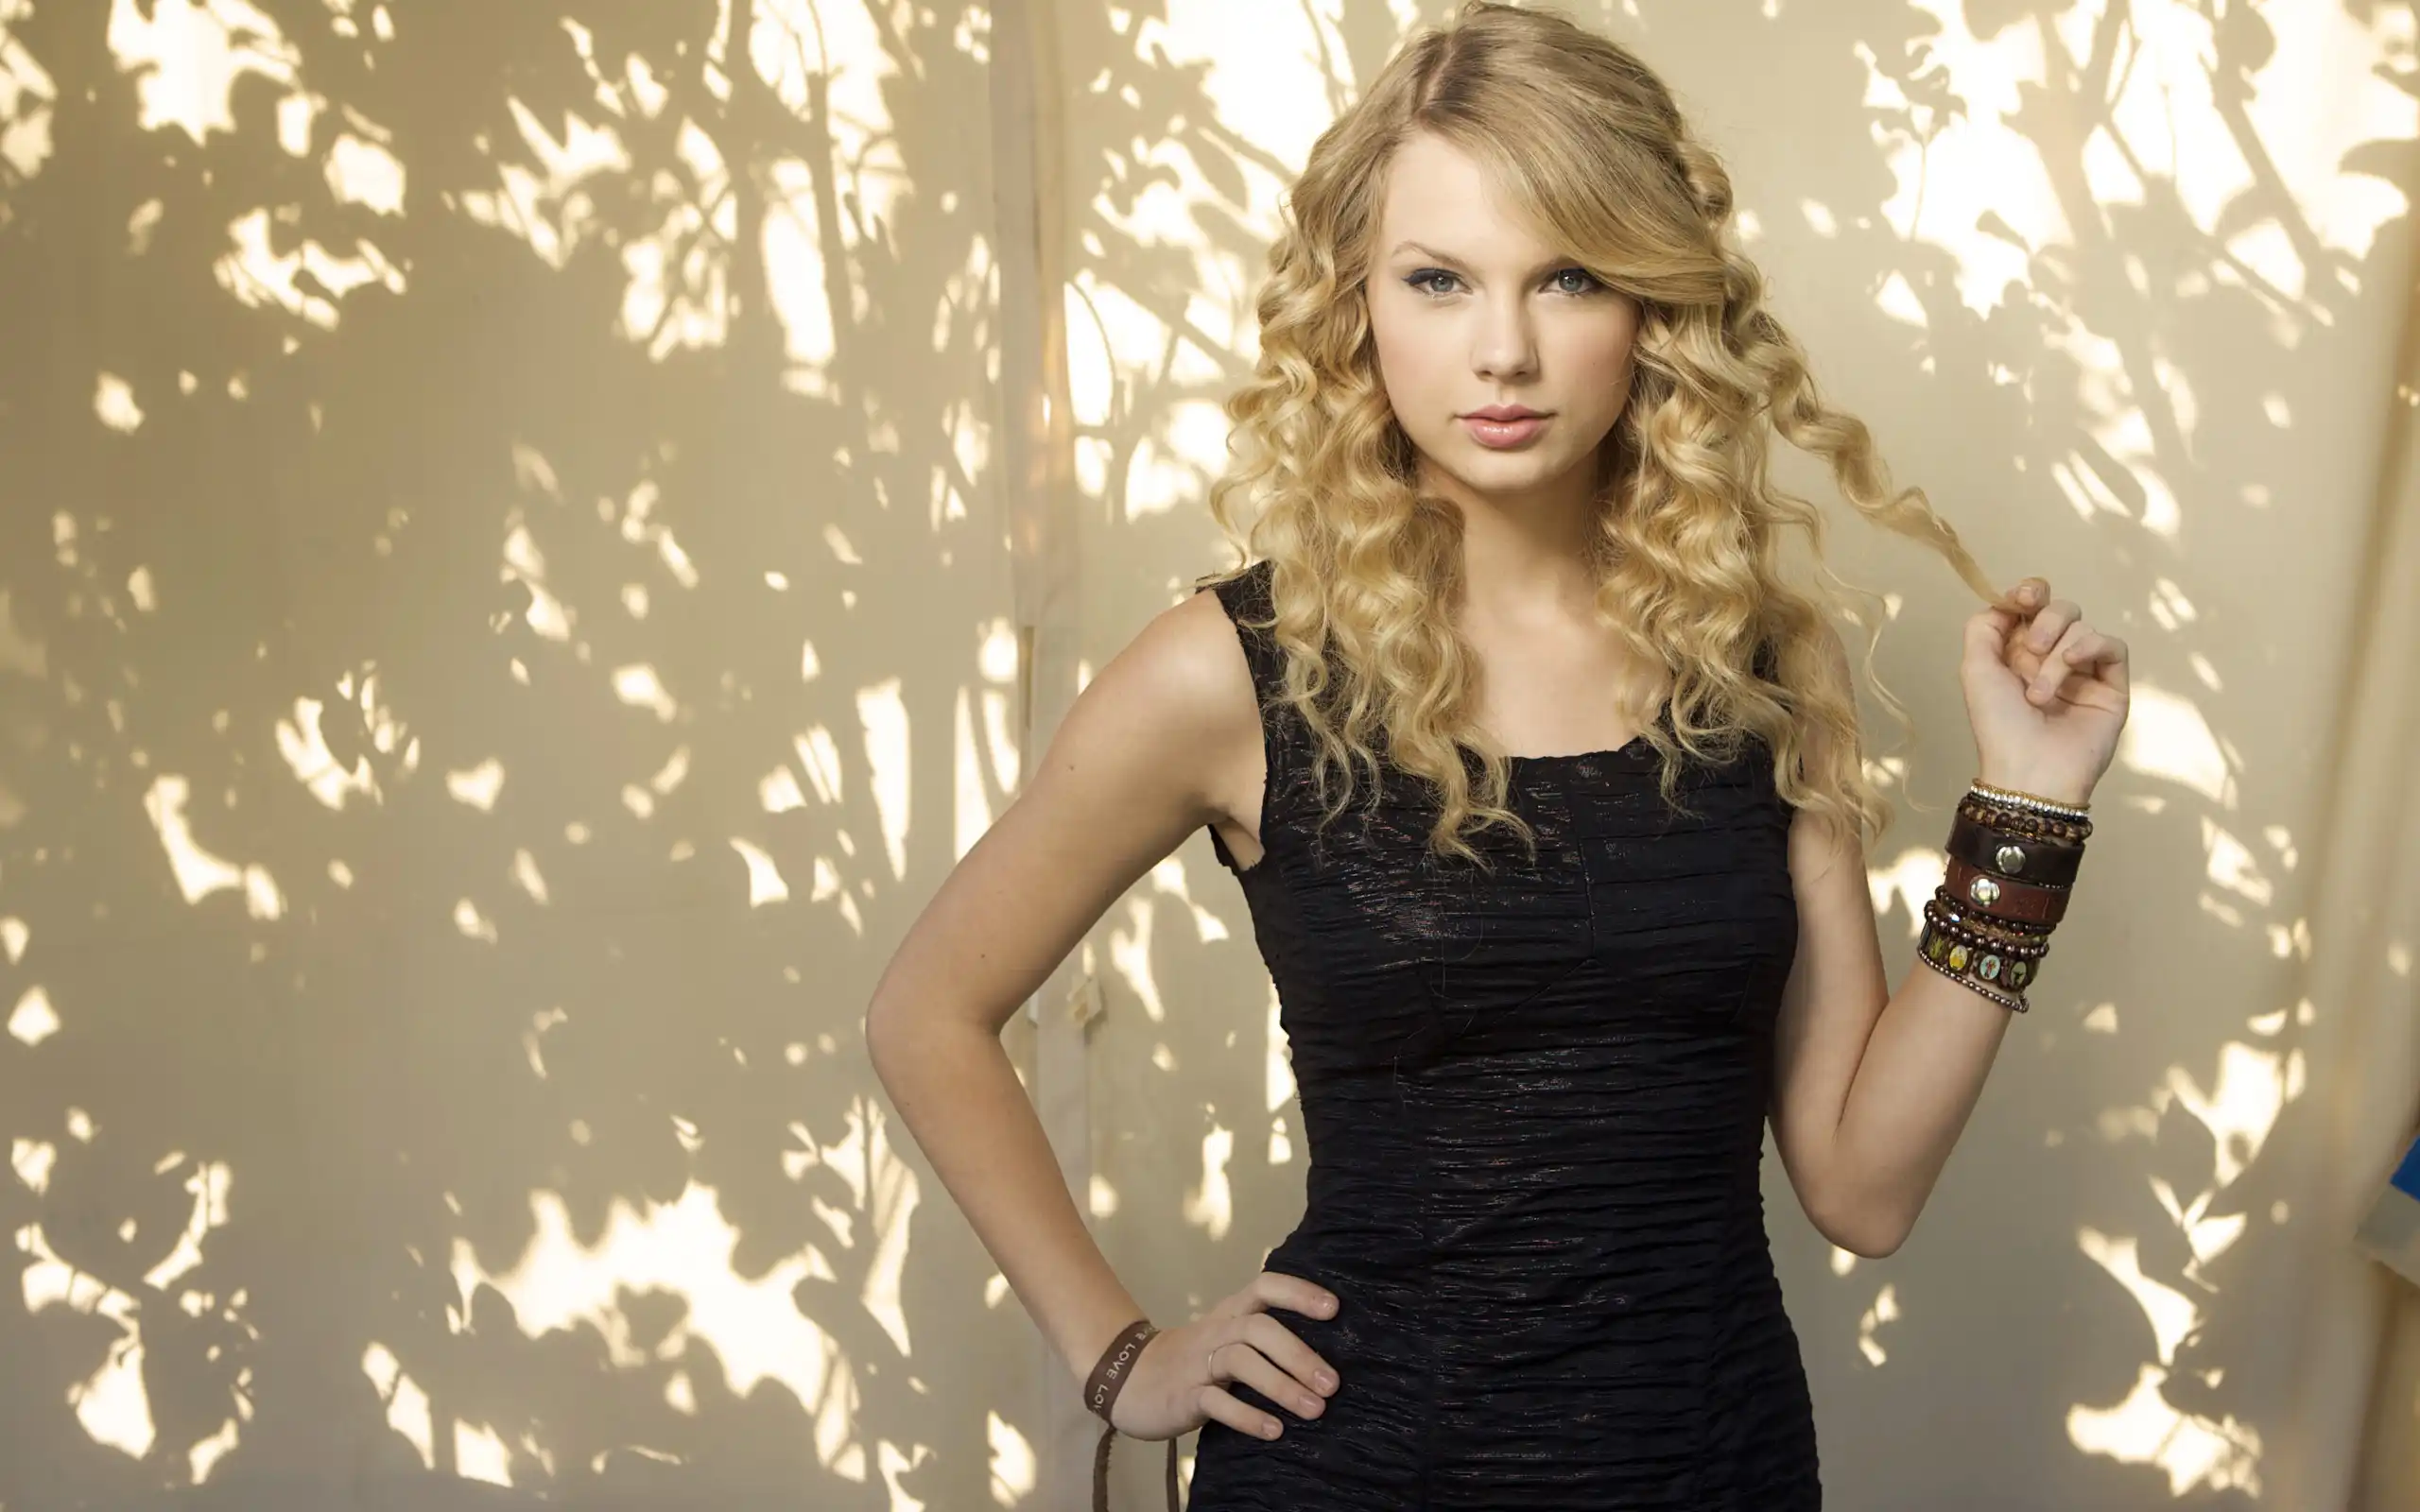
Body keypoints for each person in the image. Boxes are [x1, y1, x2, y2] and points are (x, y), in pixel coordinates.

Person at [864, 4, 2131, 1508]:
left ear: (1652, 307)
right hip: (1360, 1473)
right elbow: (927, 1012)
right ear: (1359, 305)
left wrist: (2026, 811)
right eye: (1440, 279)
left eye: (1570, 275)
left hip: (1714, 1471)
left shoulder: (1765, 667)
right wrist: (1121, 1356)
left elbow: (1863, 1187)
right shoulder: (1236, 673)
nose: (1506, 349)